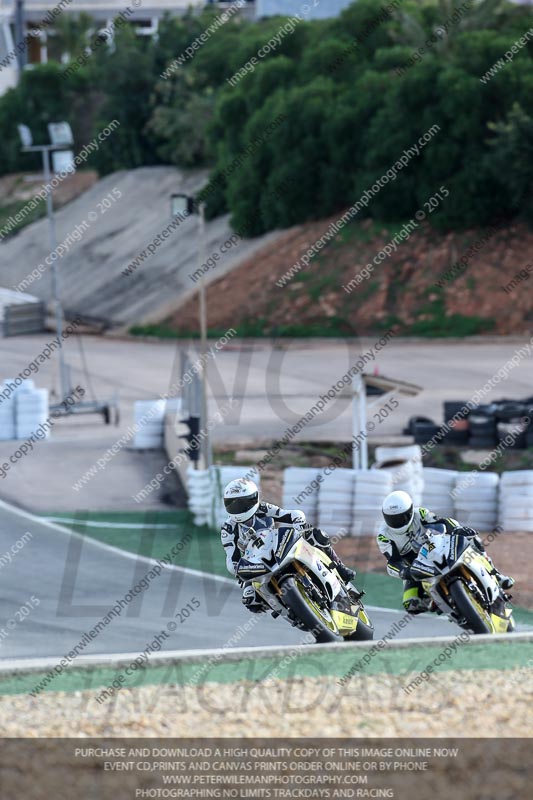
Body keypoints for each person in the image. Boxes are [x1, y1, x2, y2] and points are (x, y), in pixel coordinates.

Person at [221, 477, 355, 613]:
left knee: (317, 535)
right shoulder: (228, 529)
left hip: (276, 544)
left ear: (254, 499)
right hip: (255, 562)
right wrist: (240, 570)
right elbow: (232, 558)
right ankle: (287, 609)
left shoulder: (262, 508)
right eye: (232, 504)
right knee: (251, 600)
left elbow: (291, 515)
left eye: (242, 503)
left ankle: (339, 567)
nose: (238, 508)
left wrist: (299, 524)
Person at [377, 490, 514, 614]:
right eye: (392, 519)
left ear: (411, 511)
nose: (397, 522)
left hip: (436, 547)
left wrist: (457, 529)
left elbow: (442, 521)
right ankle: (437, 602)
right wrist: (403, 571)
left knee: (474, 539)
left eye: (401, 517)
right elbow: (393, 561)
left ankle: (496, 574)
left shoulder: (421, 513)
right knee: (410, 604)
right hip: (416, 566)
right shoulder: (383, 535)